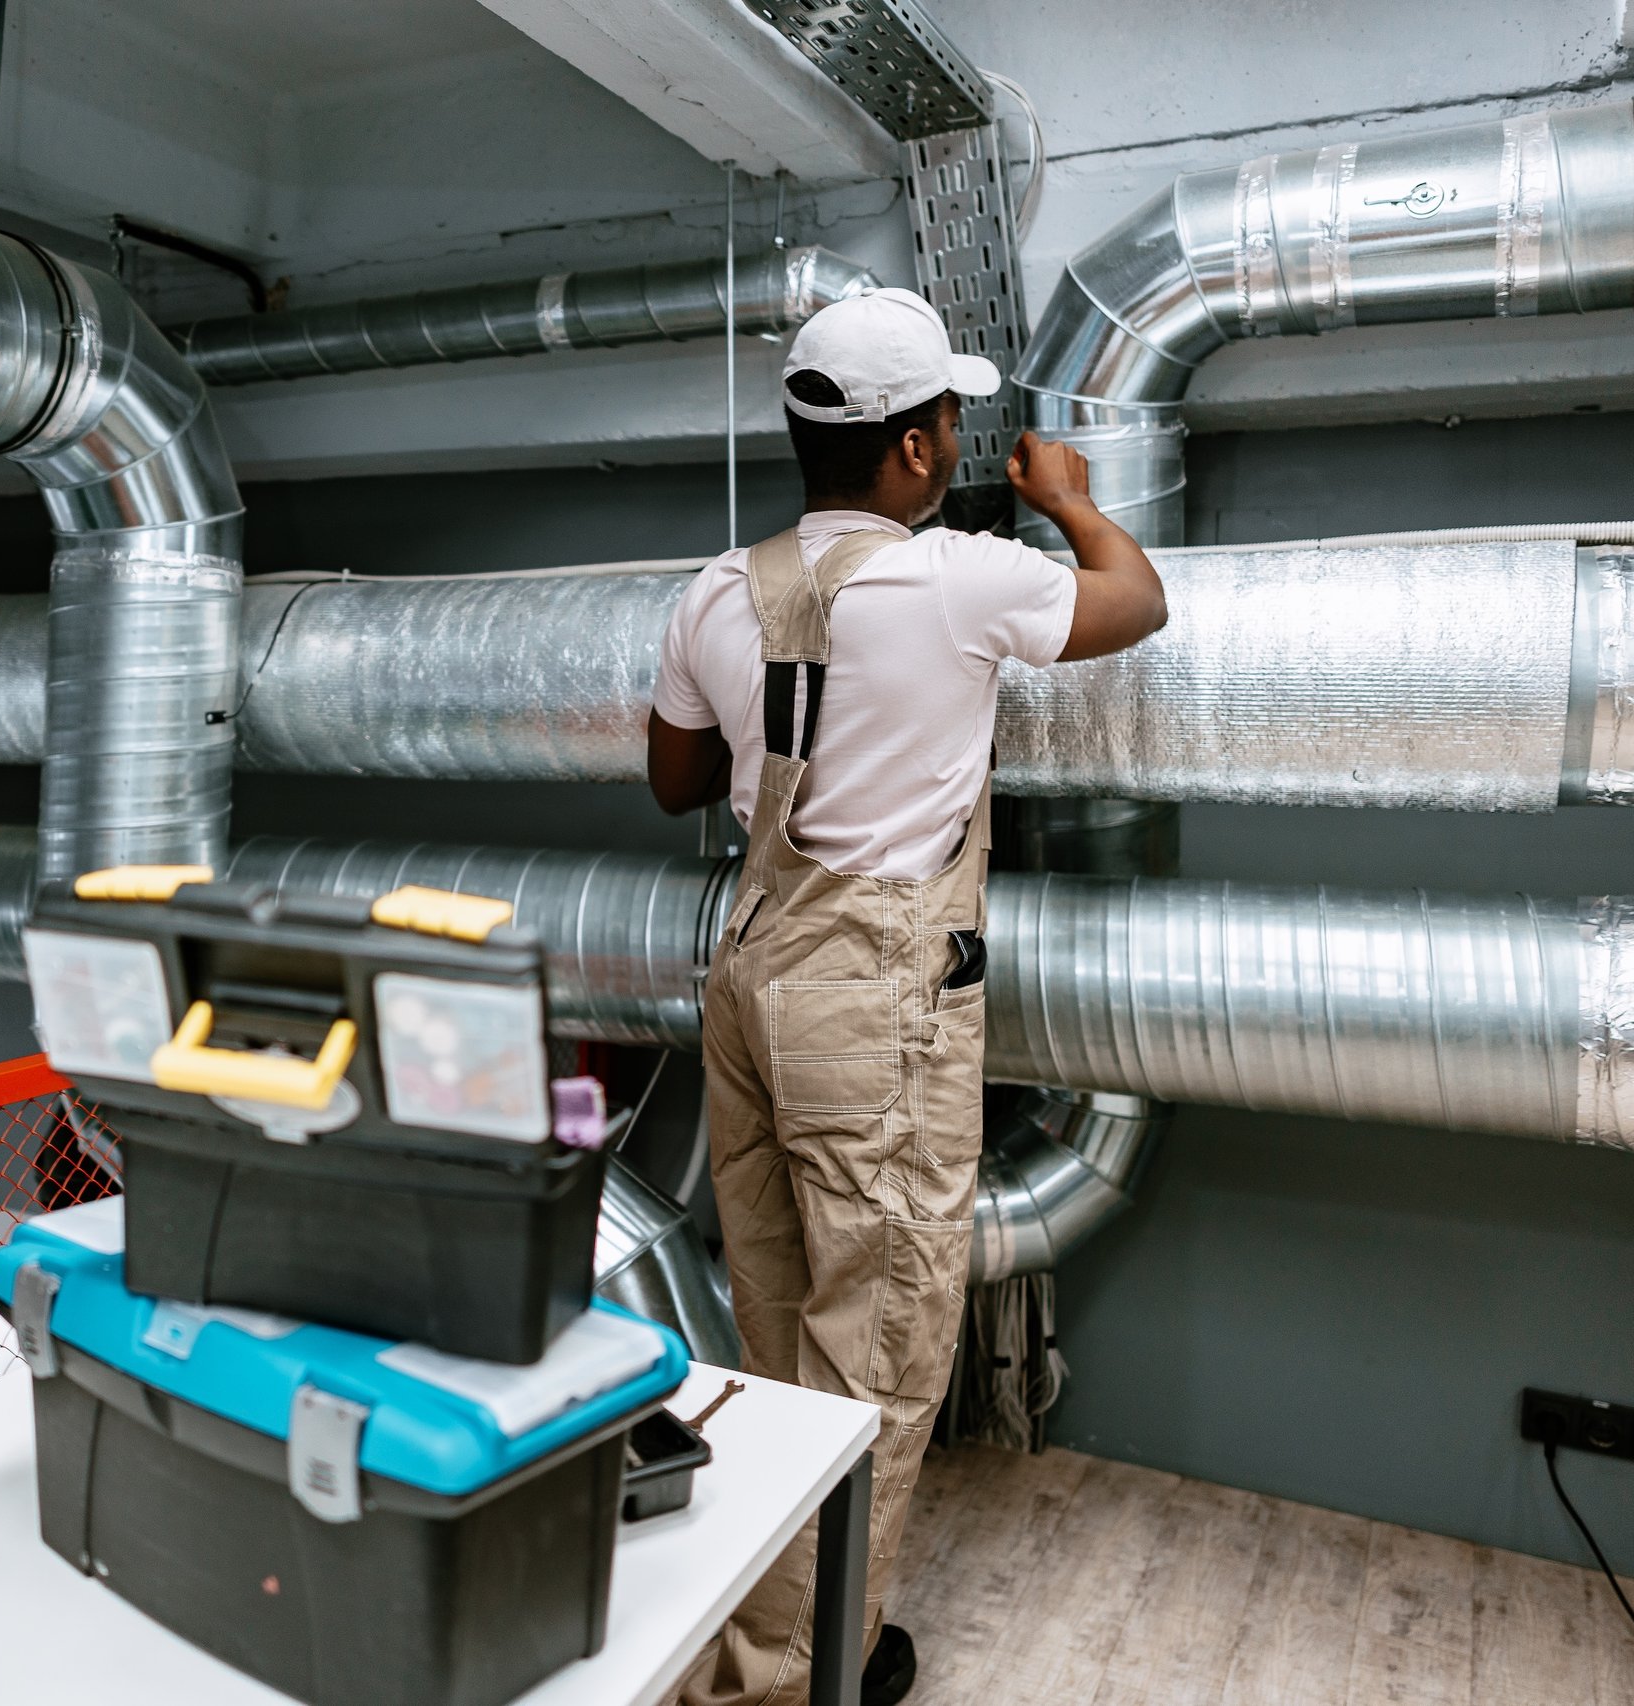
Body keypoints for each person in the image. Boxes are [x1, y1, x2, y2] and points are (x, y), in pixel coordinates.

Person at [648, 288, 1167, 1706]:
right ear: (921, 451)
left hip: (750, 983)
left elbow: (676, 779)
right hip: (871, 1007)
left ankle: (770, 1631)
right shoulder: (961, 580)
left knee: (775, 1334)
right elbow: (1139, 599)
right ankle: (783, 1679)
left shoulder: (712, 592)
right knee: (872, 1356)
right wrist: (1066, 497)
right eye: (947, 416)